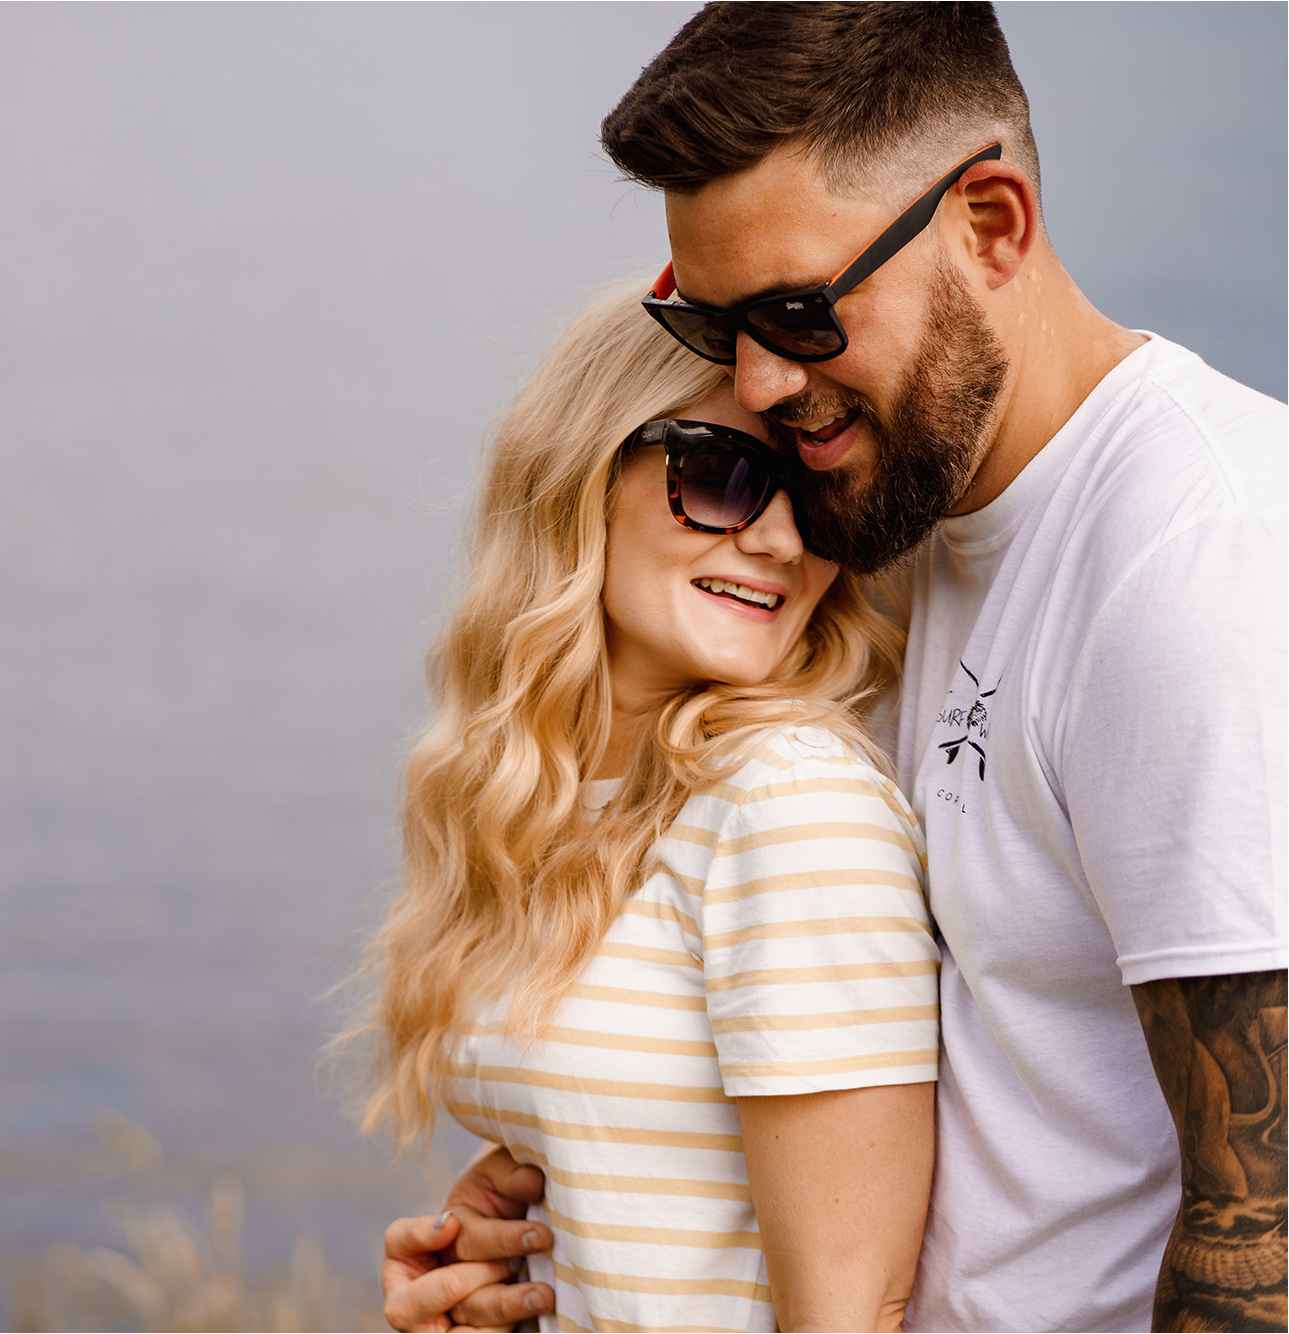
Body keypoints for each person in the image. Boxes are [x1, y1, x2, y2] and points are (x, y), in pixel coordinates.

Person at [380, 5, 1287, 1332]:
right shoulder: (894, 516)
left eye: (798, 312)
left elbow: (1258, 1226)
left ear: (991, 225)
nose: (754, 383)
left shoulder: (1196, 560)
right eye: (714, 321)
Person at [355, 283, 943, 1333]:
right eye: (718, 477)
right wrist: (483, 1291)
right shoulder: (560, 801)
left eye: (812, 499)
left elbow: (850, 1312)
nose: (774, 540)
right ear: (584, 473)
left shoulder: (788, 804)